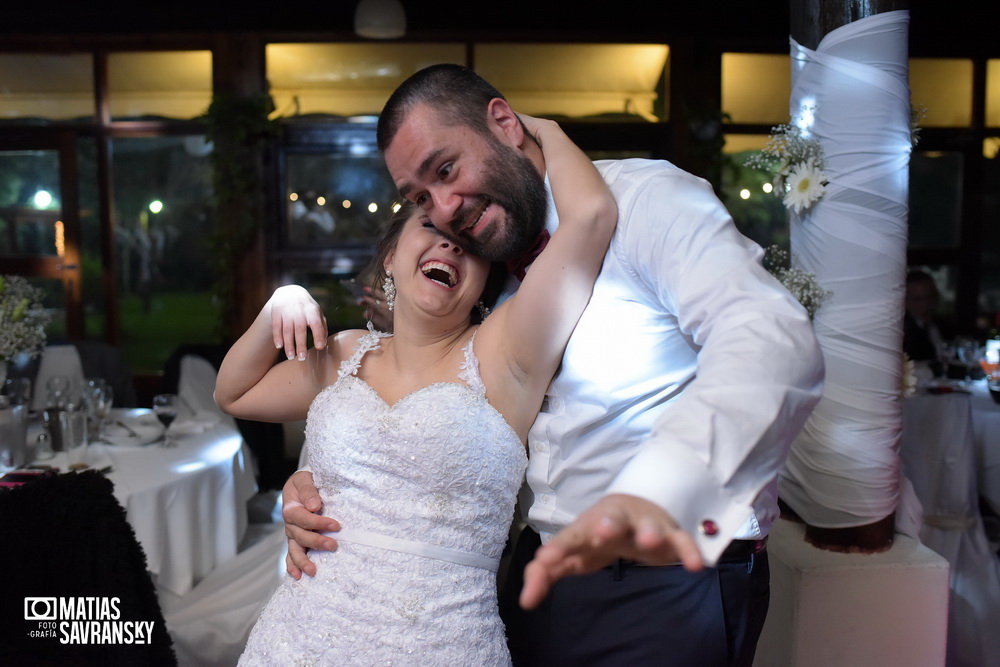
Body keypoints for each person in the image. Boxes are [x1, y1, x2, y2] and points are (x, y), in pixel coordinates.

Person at [282, 64, 825, 666]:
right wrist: (327, 491)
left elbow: (770, 338)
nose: (444, 208)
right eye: (420, 198)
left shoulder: (646, 200)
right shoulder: (479, 273)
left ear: (505, 124)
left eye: (446, 169)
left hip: (666, 579)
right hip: (530, 577)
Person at [215, 114, 617, 665]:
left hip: (440, 644)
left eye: (466, 246)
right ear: (389, 257)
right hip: (301, 636)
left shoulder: (505, 352)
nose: (449, 248)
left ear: (484, 281)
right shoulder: (345, 355)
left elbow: (590, 217)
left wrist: (535, 127)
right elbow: (235, 393)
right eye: (431, 229)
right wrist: (278, 305)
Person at [903, 269, 946, 363]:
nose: (925, 304)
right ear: (905, 301)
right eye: (917, 299)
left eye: (930, 297)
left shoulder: (946, 325)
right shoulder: (902, 333)